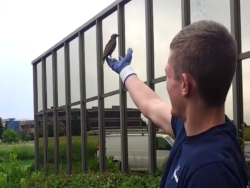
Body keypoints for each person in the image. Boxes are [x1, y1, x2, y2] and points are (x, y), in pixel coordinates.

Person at [105, 20, 249, 188]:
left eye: (167, 75)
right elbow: (151, 104)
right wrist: (125, 70)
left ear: (185, 85)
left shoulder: (209, 172)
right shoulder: (191, 128)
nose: (166, 83)